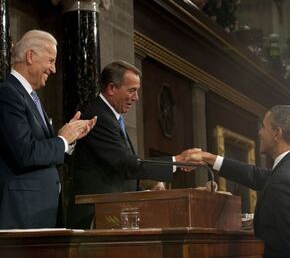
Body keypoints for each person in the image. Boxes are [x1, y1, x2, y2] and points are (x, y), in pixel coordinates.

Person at [186, 105, 290, 257]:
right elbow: (256, 175)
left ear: (277, 133)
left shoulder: (284, 181)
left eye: (263, 127)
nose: (260, 132)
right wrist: (208, 158)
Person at [67, 60, 196, 229]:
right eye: (132, 91)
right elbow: (125, 164)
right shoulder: (99, 117)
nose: (136, 98)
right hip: (95, 217)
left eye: (137, 91)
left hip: (109, 214)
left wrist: (147, 193)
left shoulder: (112, 117)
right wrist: (176, 160)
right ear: (112, 88)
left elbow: (118, 174)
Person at [0, 30, 96, 228]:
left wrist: (70, 140)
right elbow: (26, 153)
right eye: (51, 60)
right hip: (22, 211)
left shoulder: (31, 97)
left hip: (40, 209)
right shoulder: (8, 94)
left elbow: (43, 151)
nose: (53, 69)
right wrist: (61, 140)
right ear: (30, 56)